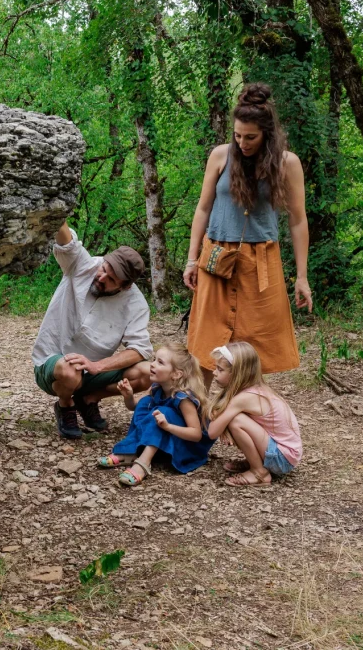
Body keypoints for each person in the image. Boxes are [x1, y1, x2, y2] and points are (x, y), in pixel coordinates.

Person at [183, 83, 313, 389]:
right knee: (206, 343)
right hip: (216, 256)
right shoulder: (220, 156)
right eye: (237, 135)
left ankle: (245, 419)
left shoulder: (287, 163)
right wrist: (191, 260)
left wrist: (302, 276)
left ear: (267, 134)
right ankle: (197, 418)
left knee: (254, 345)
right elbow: (202, 209)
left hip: (261, 262)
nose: (242, 142)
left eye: (250, 137)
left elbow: (297, 220)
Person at [32, 221, 153, 439]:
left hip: (93, 373)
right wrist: (56, 208)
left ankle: (88, 399)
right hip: (52, 366)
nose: (102, 278)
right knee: (70, 370)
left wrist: (97, 366)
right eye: (104, 269)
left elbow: (139, 349)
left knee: (147, 373)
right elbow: (66, 240)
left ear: (126, 286)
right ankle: (66, 404)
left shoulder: (136, 304)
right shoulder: (83, 265)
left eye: (111, 280)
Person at [95, 342, 213, 487]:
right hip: (166, 437)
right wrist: (128, 396)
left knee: (163, 411)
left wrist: (168, 426)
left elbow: (196, 434)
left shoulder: (184, 398)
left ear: (176, 374)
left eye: (160, 362)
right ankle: (132, 450)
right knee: (145, 402)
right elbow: (134, 407)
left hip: (186, 447)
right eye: (154, 360)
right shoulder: (157, 387)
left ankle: (143, 463)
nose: (152, 365)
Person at [206, 342, 302, 487]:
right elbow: (216, 411)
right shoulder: (253, 389)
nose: (214, 373)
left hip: (282, 459)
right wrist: (223, 427)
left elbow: (212, 432)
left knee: (236, 421)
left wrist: (224, 426)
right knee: (231, 418)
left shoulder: (245, 398)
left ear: (237, 373)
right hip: (285, 455)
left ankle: (259, 473)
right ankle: (257, 461)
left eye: (220, 369)